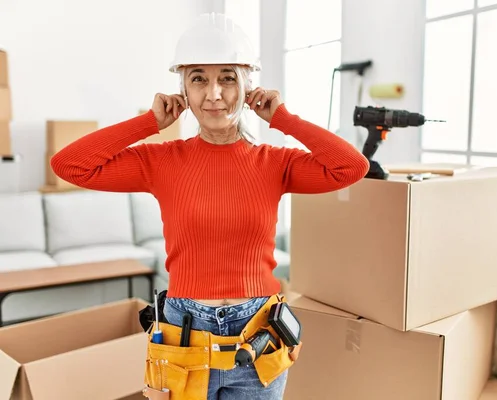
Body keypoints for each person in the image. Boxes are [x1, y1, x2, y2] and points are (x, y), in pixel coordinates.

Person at [51, 12, 369, 400]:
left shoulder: (275, 163)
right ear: (182, 88)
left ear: (248, 85)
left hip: (258, 340)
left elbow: (352, 167)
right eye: (199, 78)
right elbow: (69, 165)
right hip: (183, 337)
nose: (214, 93)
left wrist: (283, 119)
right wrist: (149, 123)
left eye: (228, 78)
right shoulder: (161, 161)